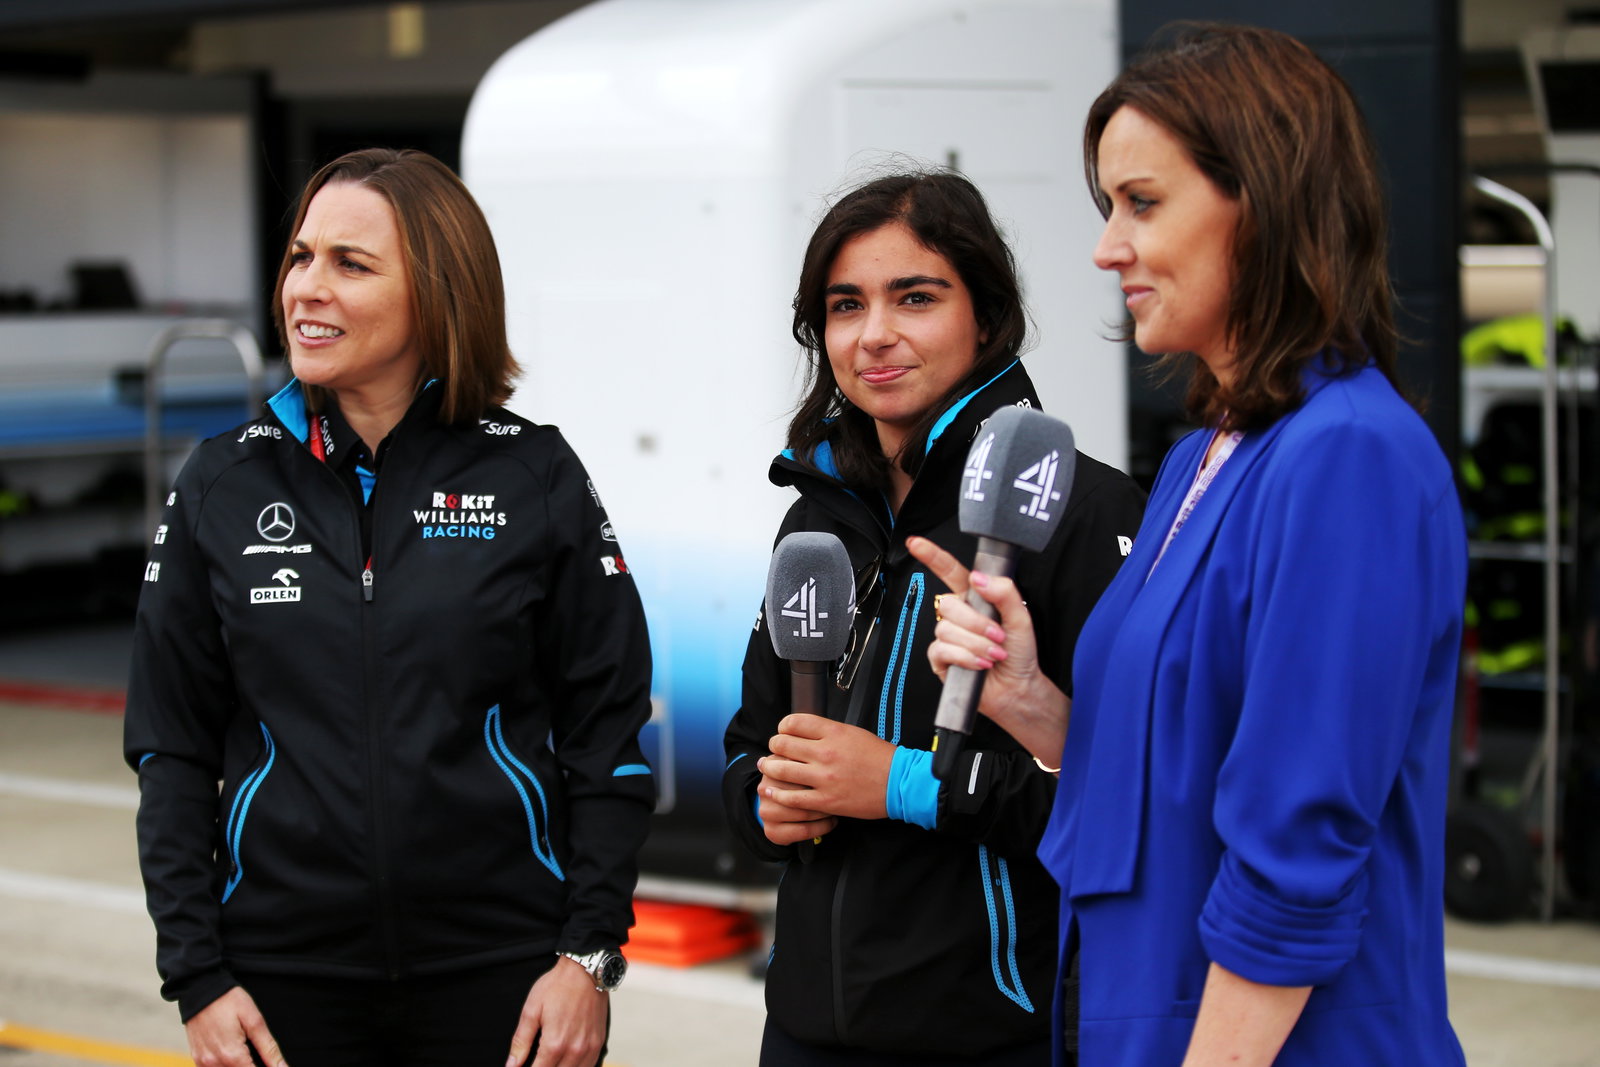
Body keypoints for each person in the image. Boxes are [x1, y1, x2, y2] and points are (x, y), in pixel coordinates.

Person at [915, 23, 1468, 1066]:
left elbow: (1295, 846)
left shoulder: (1346, 459)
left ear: (1263, 203)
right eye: (1106, 206)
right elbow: (1176, 782)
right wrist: (1030, 700)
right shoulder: (1203, 458)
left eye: (1142, 202)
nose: (1105, 245)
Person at [123, 148, 654, 1067]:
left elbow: (605, 736)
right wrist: (197, 977)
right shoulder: (222, 481)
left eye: (350, 263)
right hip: (281, 982)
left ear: (437, 293)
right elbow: (172, 746)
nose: (306, 289)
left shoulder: (535, 475)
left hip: (506, 976)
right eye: (300, 257)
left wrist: (587, 955)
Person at [722, 171, 1145, 1065]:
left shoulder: (1085, 512)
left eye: (915, 297)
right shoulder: (816, 515)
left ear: (985, 316)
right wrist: (768, 803)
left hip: (997, 1032)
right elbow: (747, 745)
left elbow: (1128, 805)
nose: (875, 335)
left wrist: (904, 784)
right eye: (846, 305)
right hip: (804, 1025)